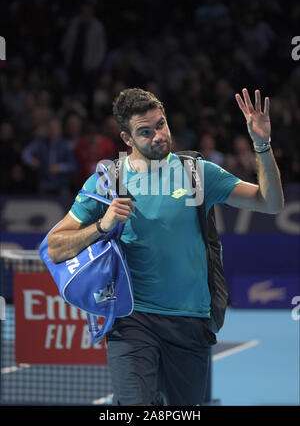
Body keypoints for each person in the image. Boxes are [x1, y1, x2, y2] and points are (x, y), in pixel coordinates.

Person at [47, 88, 284, 406]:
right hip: (132, 320)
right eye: (145, 132)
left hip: (190, 322)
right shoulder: (109, 180)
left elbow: (270, 204)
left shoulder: (197, 174)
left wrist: (262, 145)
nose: (158, 135)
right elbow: (55, 248)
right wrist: (101, 226)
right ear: (127, 138)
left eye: (161, 125)